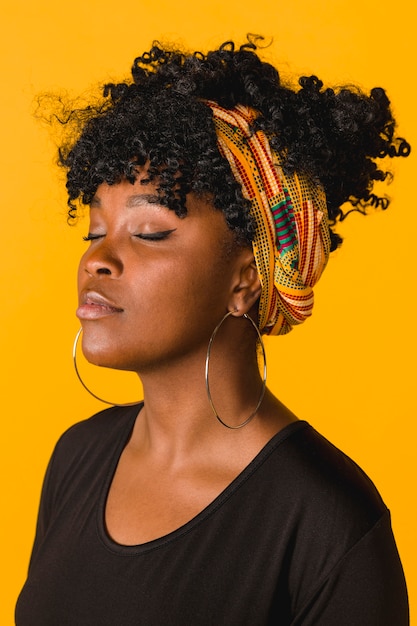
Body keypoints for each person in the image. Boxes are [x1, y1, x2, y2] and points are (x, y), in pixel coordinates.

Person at [16, 37, 410, 625]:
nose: (97, 260)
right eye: (94, 232)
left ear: (247, 278)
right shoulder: (77, 457)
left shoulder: (328, 523)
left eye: (148, 232)